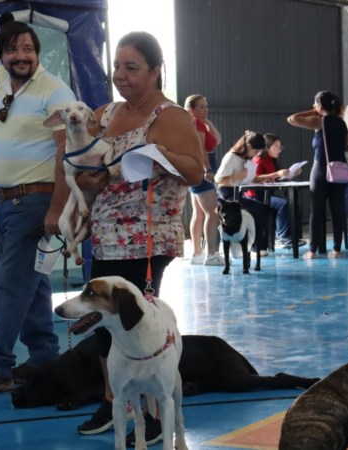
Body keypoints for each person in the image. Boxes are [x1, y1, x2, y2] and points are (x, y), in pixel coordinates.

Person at [72, 32, 203, 445]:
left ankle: (151, 412)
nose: (120, 76)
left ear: (155, 71)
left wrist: (157, 150)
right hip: (106, 236)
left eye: (132, 68)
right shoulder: (105, 114)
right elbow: (81, 168)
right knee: (103, 324)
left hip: (148, 241)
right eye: (117, 67)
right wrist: (87, 181)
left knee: (137, 324)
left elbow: (197, 173)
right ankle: (116, 400)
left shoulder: (172, 117)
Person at [0, 21, 77, 396]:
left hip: (35, 203)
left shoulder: (54, 90)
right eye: (12, 49)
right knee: (34, 284)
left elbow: (65, 150)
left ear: (37, 53)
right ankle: (44, 360)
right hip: (6, 205)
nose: (21, 56)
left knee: (11, 286)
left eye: (28, 48)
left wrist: (56, 210)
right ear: (2, 55)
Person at [287, 91, 348, 260]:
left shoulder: (319, 121)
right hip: (340, 169)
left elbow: (292, 119)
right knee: (338, 210)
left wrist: (314, 111)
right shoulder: (342, 123)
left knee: (317, 209)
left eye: (316, 104)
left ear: (319, 106)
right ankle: (337, 250)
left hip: (321, 169)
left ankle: (312, 250)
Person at [214, 131, 279, 254]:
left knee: (267, 210)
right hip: (226, 194)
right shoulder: (232, 157)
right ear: (248, 146)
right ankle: (257, 247)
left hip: (238, 192)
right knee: (261, 210)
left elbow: (251, 178)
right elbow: (218, 179)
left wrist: (266, 177)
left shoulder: (244, 159)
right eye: (255, 152)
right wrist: (239, 176)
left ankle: (264, 245)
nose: (254, 155)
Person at [184, 94, 224, 266]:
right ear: (191, 109)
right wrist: (207, 169)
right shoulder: (196, 123)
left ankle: (197, 253)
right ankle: (212, 254)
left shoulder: (198, 124)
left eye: (206, 106)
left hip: (197, 168)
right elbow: (200, 150)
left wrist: (211, 125)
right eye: (201, 106)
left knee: (199, 214)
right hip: (204, 167)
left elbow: (217, 141)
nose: (205, 109)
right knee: (212, 213)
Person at [246, 134, 305, 249]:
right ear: (267, 148)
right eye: (276, 147)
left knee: (293, 203)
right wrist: (274, 175)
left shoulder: (271, 161)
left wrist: (292, 175)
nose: (279, 150)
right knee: (284, 204)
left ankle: (294, 236)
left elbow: (278, 179)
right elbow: (255, 179)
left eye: (280, 147)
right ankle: (283, 237)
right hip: (255, 197)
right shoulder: (259, 160)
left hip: (267, 196)